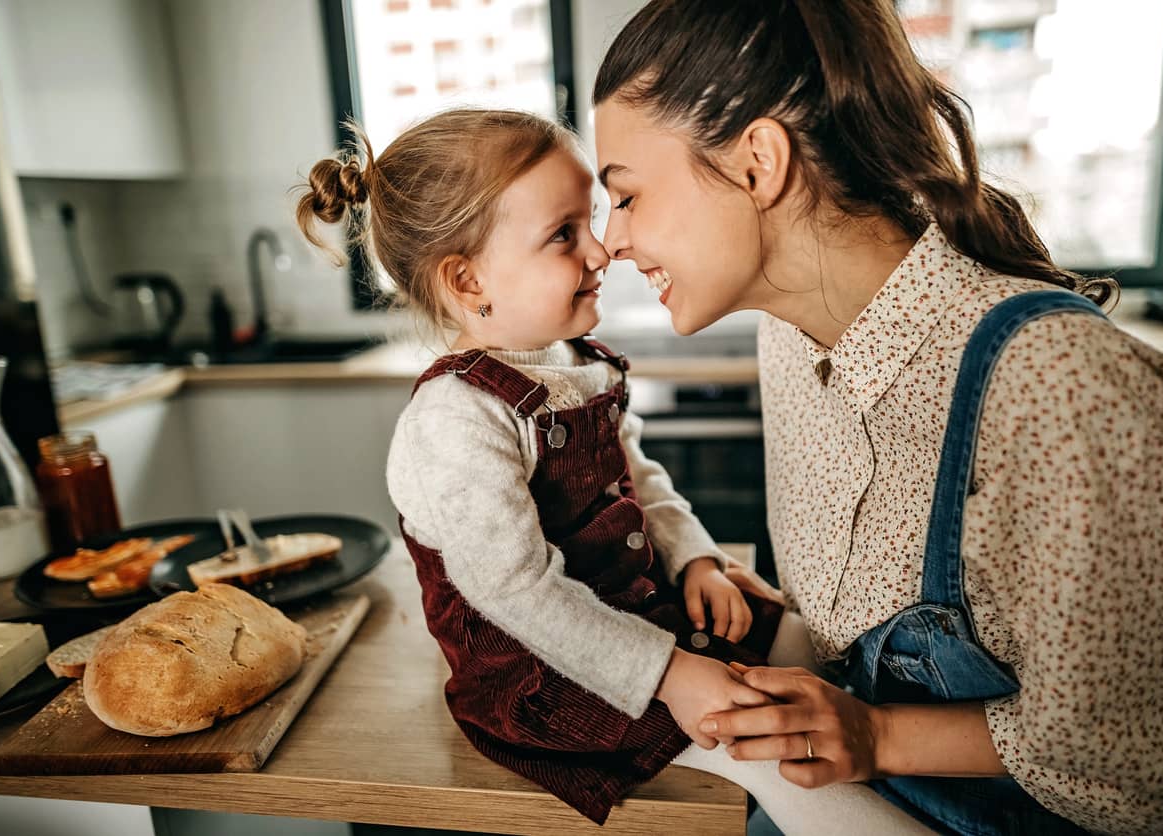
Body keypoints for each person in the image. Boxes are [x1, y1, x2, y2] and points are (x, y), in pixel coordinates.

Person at [592, 1, 1163, 834]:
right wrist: (790, 623)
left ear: (758, 162)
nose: (611, 241)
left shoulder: (1063, 390)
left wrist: (878, 733)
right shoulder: (789, 340)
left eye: (629, 197)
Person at [294, 109, 933, 835]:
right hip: (546, 675)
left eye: (591, 220)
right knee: (765, 744)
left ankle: (910, 771)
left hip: (631, 617)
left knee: (803, 649)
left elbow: (638, 480)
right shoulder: (454, 420)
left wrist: (694, 557)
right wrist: (675, 674)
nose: (602, 251)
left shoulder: (577, 362)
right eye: (563, 234)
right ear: (468, 279)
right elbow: (519, 594)